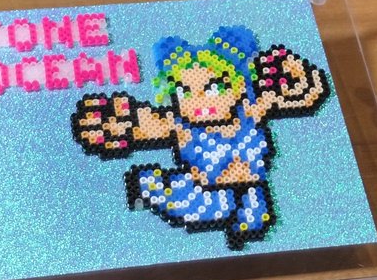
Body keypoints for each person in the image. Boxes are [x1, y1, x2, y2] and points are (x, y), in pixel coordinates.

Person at [71, 26, 329, 249]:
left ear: (240, 84)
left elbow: (304, 92)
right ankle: (146, 188)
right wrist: (119, 122)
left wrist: (296, 76)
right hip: (205, 191)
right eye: (185, 91)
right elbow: (148, 124)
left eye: (214, 88)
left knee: (253, 212)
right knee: (199, 203)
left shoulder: (250, 110)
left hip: (253, 189)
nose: (200, 101)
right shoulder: (182, 126)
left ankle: (240, 216)